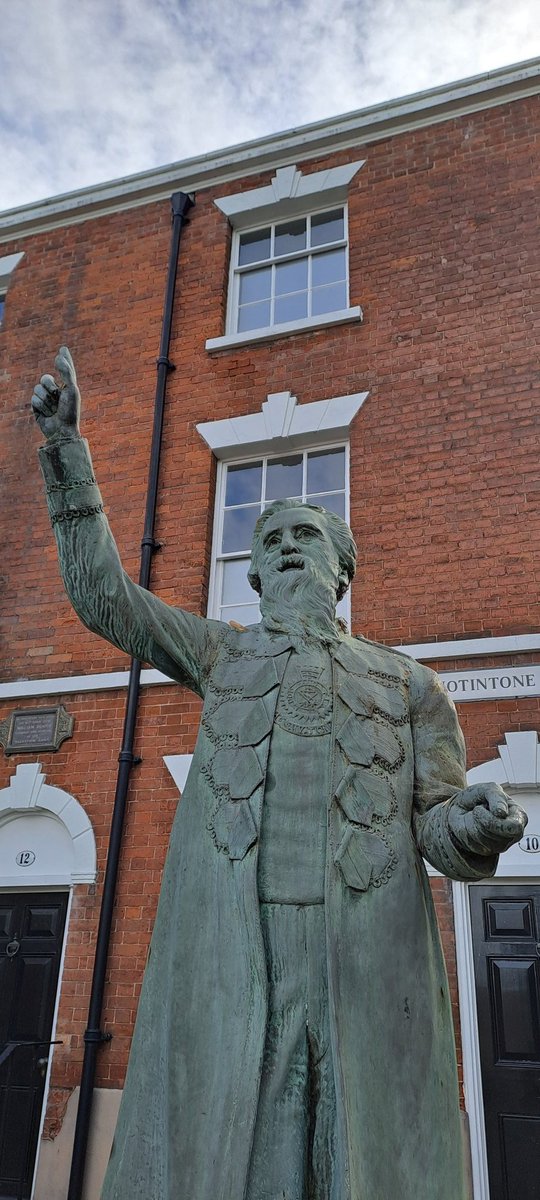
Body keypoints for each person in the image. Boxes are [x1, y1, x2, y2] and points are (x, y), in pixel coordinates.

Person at [32, 348, 526, 1200]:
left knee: (353, 1158)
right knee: (249, 1157)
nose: (288, 547)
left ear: (341, 569)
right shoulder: (219, 655)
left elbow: (437, 824)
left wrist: (475, 823)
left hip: (361, 959)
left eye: (307, 535)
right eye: (271, 541)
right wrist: (66, 453)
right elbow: (103, 598)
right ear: (253, 575)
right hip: (236, 948)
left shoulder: (411, 684)